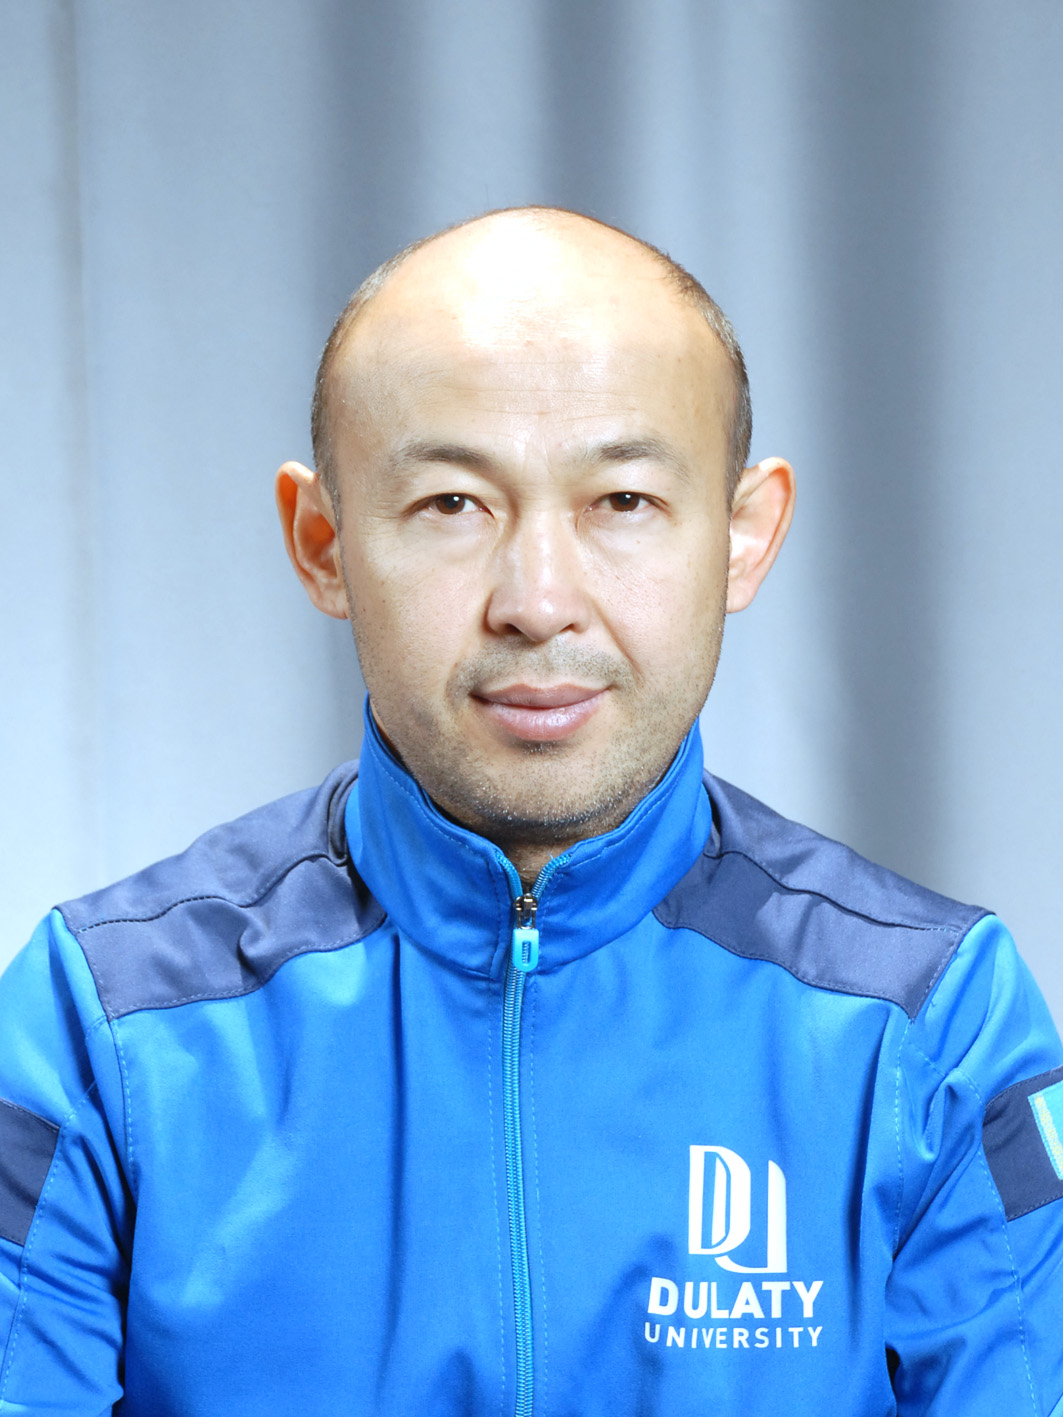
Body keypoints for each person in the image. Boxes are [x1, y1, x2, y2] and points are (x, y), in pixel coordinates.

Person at [0, 207, 1060, 1417]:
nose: (538, 600)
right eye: (453, 504)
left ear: (742, 535)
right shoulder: (104, 1026)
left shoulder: (929, 1025)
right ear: (323, 542)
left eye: (622, 501)